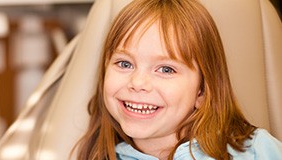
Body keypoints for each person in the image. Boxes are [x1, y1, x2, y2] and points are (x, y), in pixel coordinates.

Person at [73, 0, 282, 159]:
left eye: (165, 69)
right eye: (125, 64)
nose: (137, 83)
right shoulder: (97, 154)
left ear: (202, 91)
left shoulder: (256, 151)